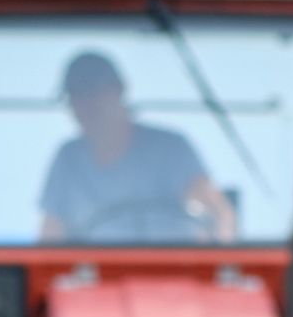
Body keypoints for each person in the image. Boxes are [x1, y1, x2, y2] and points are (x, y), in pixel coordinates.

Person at [38, 49, 237, 244]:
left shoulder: (169, 150)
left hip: (168, 272)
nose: (85, 104)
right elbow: (50, 237)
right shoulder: (68, 158)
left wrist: (214, 265)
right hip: (90, 274)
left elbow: (218, 213)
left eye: (93, 91)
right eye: (75, 95)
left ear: (119, 90)